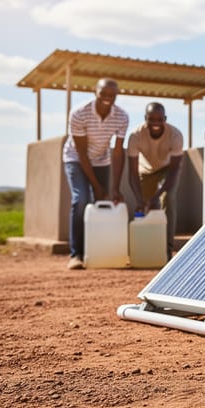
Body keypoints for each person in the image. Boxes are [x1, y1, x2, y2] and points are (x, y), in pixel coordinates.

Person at [63, 78, 129, 269]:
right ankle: (76, 255)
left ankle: (97, 251)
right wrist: (97, 187)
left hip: (102, 159)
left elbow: (117, 152)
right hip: (75, 158)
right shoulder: (79, 113)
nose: (108, 98)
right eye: (103, 94)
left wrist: (114, 188)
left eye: (112, 95)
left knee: (105, 200)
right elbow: (82, 154)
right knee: (82, 199)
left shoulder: (122, 116)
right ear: (95, 92)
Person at [127, 102, 183, 260]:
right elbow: (131, 172)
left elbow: (174, 171)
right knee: (143, 207)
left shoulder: (175, 135)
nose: (156, 123)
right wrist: (140, 199)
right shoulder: (135, 136)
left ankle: (167, 250)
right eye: (152, 119)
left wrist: (156, 196)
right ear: (146, 118)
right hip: (145, 170)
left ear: (165, 118)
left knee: (169, 198)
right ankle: (144, 250)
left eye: (160, 119)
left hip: (167, 170)